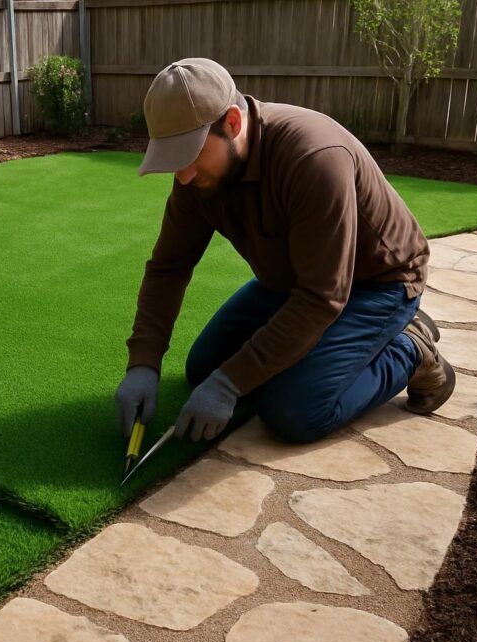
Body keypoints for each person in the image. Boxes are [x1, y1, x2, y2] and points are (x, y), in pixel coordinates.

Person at [115, 58, 455, 445]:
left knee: (293, 411)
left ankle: (410, 347)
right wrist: (143, 363)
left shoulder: (314, 157)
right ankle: (329, 352)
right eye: (172, 160)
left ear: (232, 122)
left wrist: (230, 385)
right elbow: (169, 268)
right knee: (203, 368)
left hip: (378, 283)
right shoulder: (196, 178)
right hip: (292, 282)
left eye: (190, 154)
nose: (184, 176)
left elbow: (321, 297)